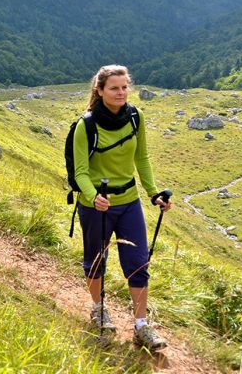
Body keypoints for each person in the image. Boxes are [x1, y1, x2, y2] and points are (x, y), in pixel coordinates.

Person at [73, 65, 172, 349]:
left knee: (138, 262)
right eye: (114, 88)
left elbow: (142, 159)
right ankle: (98, 308)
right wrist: (93, 197)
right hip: (96, 205)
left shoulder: (135, 117)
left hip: (129, 202)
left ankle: (141, 326)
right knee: (95, 260)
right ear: (100, 90)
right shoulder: (86, 125)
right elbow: (80, 172)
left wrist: (154, 193)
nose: (121, 93)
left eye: (124, 87)